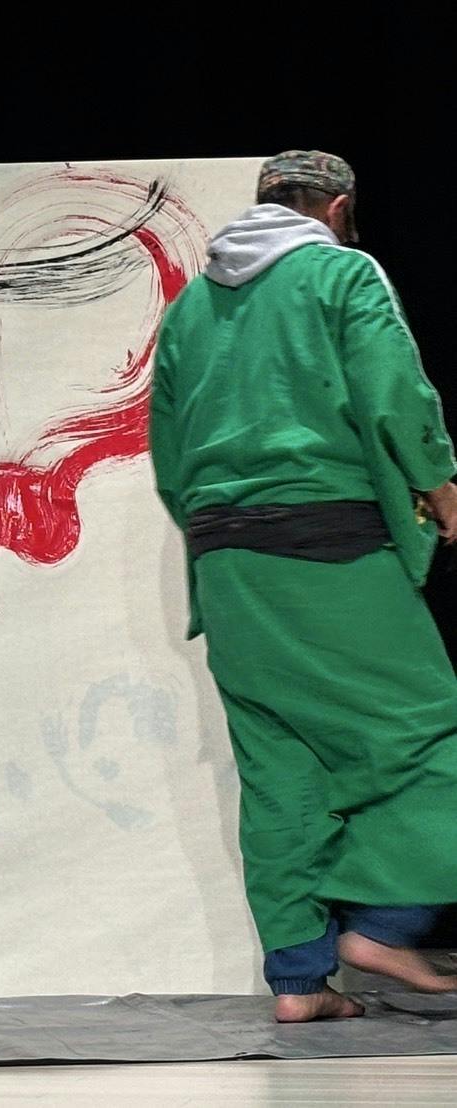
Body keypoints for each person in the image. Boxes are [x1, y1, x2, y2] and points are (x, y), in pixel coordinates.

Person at [150, 150, 457, 1022]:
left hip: (226, 559)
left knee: (279, 766)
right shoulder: (341, 273)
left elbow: (167, 447)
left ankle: (297, 981)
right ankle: (387, 927)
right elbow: (392, 389)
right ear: (338, 207)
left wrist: (218, 535)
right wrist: (437, 482)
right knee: (427, 733)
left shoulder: (190, 306)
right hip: (328, 541)